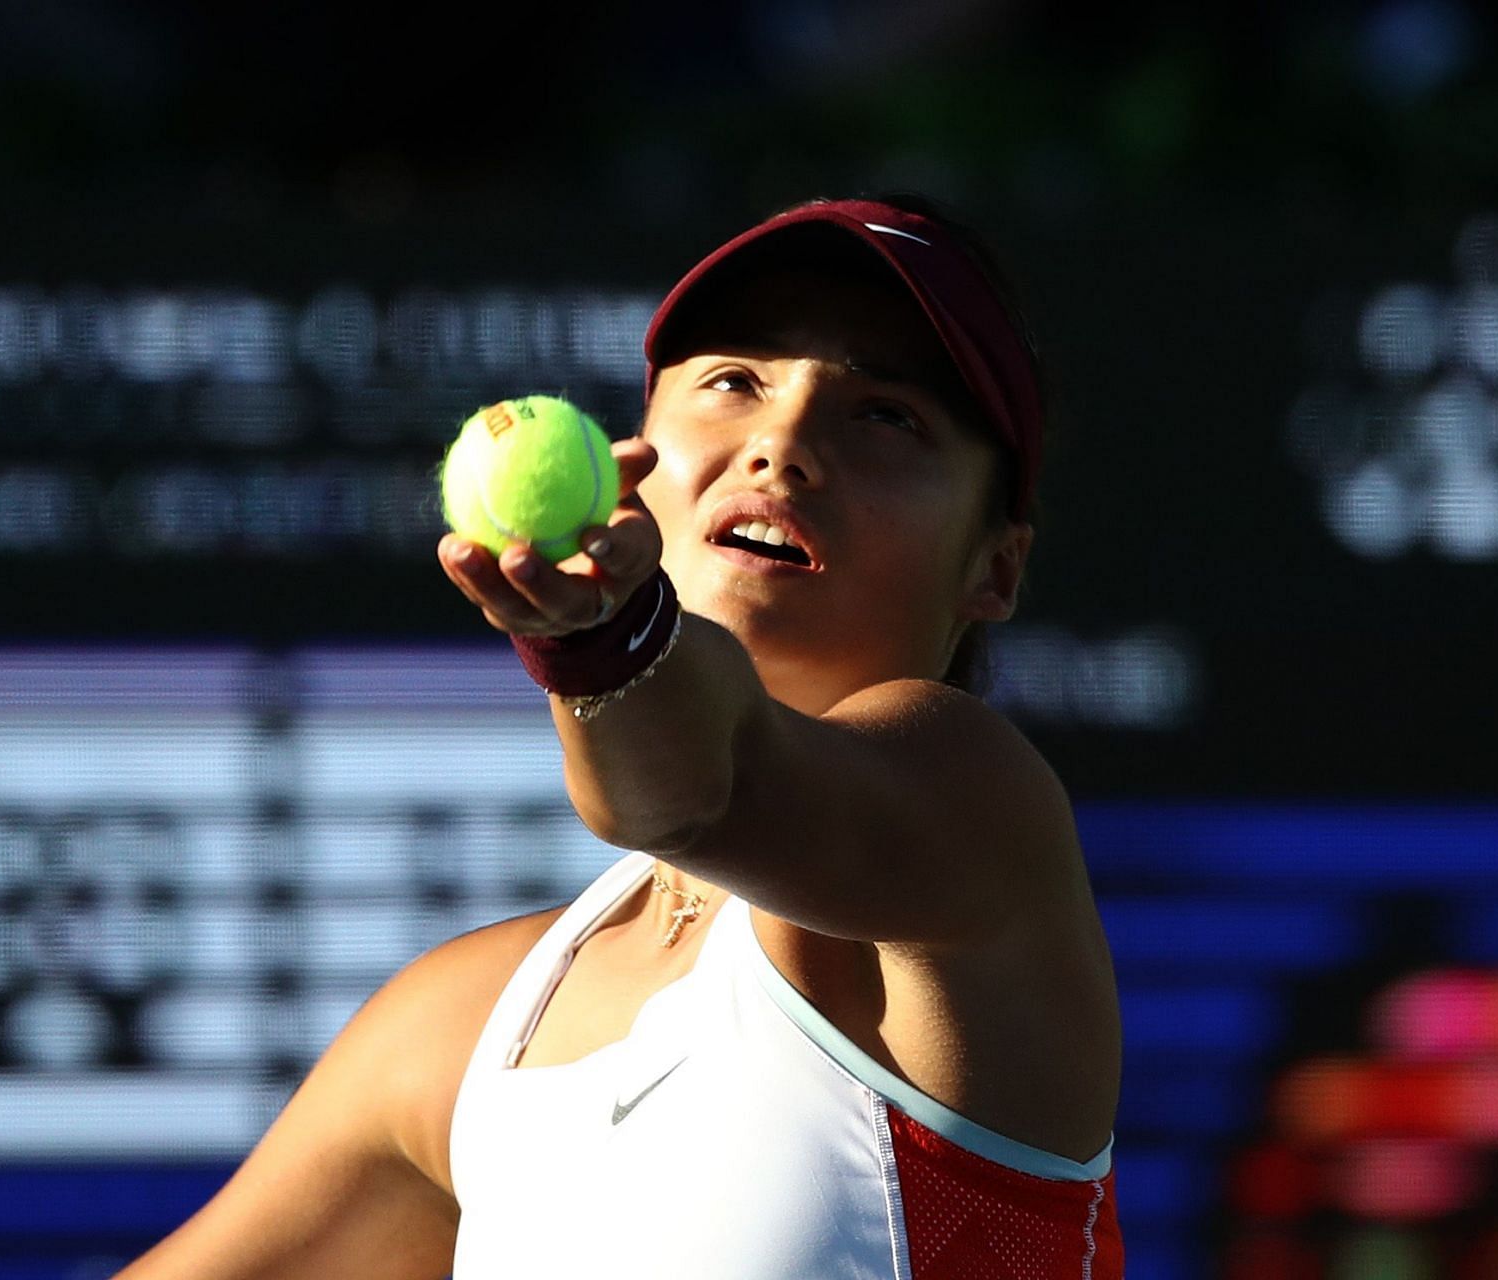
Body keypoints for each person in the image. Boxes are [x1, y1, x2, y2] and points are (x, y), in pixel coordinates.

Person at [118, 195, 1123, 1279]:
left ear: (996, 566)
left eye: (886, 415)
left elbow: (703, 788)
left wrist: (611, 633)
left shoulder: (977, 812)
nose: (781, 444)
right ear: (639, 445)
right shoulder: (457, 1028)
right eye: (735, 380)